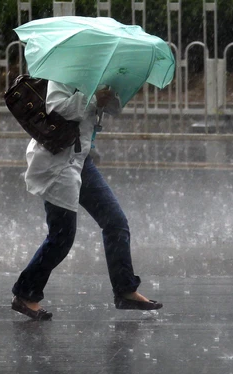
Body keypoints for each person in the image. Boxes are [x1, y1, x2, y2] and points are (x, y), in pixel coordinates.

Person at [11, 80, 163, 320]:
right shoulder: (62, 71)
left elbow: (110, 110)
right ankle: (25, 294)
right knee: (61, 237)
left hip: (81, 161)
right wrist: (93, 99)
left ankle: (125, 290)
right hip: (58, 161)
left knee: (115, 222)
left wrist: (110, 96)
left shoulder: (97, 72)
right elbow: (56, 107)